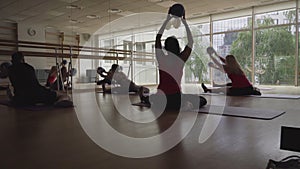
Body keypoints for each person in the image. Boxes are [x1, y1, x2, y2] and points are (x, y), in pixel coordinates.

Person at [139, 14, 207, 110]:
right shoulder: (181, 59)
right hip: (176, 98)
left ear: (165, 47)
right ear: (178, 47)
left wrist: (166, 21)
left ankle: (147, 99)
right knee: (202, 100)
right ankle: (186, 105)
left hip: (161, 98)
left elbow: (157, 38)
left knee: (154, 97)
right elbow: (191, 42)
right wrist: (185, 23)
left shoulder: (161, 58)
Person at [8, 52, 72, 107]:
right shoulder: (28, 68)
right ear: (23, 59)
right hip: (35, 95)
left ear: (12, 61)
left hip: (20, 97)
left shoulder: (10, 70)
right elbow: (35, 85)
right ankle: (56, 103)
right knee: (65, 95)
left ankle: (15, 99)